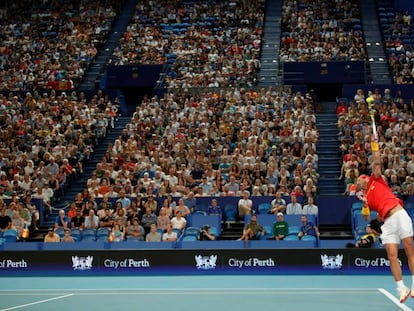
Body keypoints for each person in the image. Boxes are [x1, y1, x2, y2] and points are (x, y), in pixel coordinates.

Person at [356, 135, 414, 303]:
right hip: (388, 223)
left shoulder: (376, 179)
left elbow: (376, 162)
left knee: (409, 249)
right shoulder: (365, 197)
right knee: (391, 254)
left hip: (399, 214)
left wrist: (374, 143)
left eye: (360, 178)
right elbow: (366, 217)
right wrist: (366, 204)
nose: (358, 180)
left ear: (365, 179)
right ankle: (401, 288)